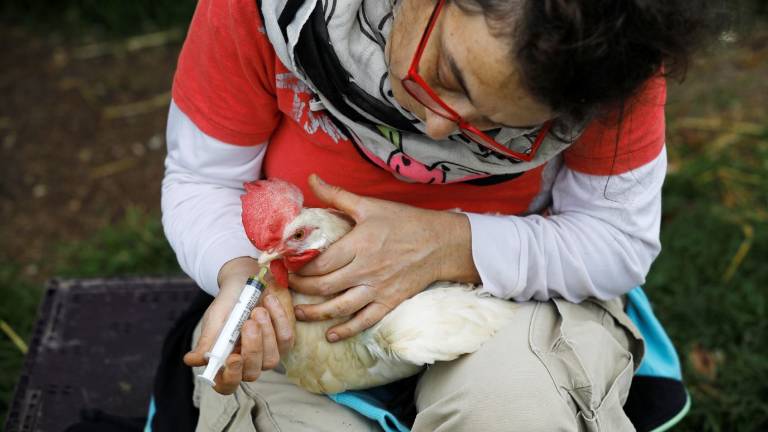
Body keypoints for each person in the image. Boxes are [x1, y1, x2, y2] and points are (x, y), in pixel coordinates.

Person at [161, 0, 707, 430]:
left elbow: (616, 240)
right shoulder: (257, 8)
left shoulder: (608, 59)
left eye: (498, 127)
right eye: (448, 73)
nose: (442, 130)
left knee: (513, 413)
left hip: (508, 295)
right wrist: (237, 274)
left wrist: (452, 243)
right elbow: (203, 182)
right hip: (296, 304)